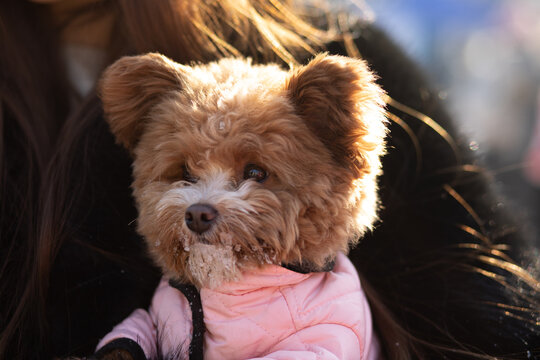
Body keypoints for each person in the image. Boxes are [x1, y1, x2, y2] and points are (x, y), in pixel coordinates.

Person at [0, 0, 538, 359]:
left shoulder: (336, 45)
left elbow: (493, 311)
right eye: (185, 174)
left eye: (252, 174)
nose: (203, 201)